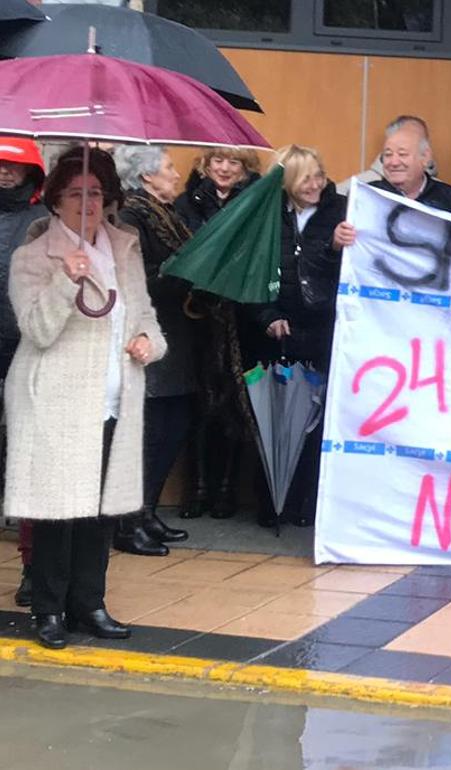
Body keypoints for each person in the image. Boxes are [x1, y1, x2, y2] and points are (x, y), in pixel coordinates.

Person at [6, 147, 166, 649]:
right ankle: (49, 609)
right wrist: (64, 280)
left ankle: (89, 603)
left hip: (114, 396)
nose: (87, 202)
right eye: (75, 193)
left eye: (95, 192)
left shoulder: (125, 247)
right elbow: (36, 329)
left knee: (102, 509)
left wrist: (148, 342)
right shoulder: (33, 255)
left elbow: (143, 314)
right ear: (55, 199)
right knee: (60, 509)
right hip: (55, 398)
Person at [244, 145, 349, 527]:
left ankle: (307, 502)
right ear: (287, 180)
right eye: (306, 177)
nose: (316, 184)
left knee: (316, 420)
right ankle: (272, 503)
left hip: (323, 328)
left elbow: (340, 273)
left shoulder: (340, 212)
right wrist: (266, 316)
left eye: (319, 175)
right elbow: (250, 273)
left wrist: (335, 247)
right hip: (277, 331)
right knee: (272, 416)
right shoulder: (265, 214)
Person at [113, 145, 196, 558]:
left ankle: (146, 513)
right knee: (150, 435)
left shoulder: (168, 214)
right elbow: (138, 279)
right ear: (146, 177)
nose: (177, 174)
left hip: (176, 336)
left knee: (173, 428)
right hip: (150, 334)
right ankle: (128, 522)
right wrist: (184, 268)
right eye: (168, 167)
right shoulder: (131, 217)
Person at [174, 148, 260, 522]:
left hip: (241, 318)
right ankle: (197, 489)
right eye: (218, 161)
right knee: (199, 406)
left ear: (246, 169)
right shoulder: (187, 201)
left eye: (234, 162)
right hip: (197, 316)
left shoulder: (258, 204)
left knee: (235, 407)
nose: (224, 169)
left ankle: (225, 489)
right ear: (205, 166)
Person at [0, 139, 46, 609]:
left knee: (30, 465)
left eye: (13, 166)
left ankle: (35, 570)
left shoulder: (43, 225)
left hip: (28, 350)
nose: (4, 173)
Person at [334, 121, 451, 251]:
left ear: (425, 157)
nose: (393, 162)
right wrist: (336, 243)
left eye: (402, 154)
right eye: (388, 155)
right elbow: (334, 262)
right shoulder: (365, 197)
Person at [347, 115, 439, 191]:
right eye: (388, 154)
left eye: (403, 154)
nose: (395, 162)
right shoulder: (362, 191)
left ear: (426, 155)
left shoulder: (448, 197)